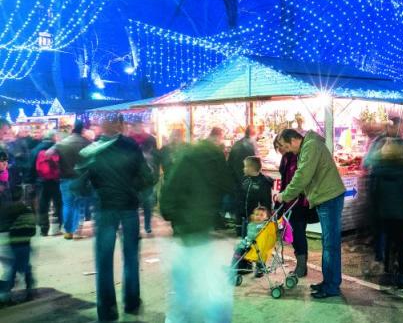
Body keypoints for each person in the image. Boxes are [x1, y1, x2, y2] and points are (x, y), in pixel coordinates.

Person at [73, 114, 155, 321]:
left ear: (102, 126)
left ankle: (107, 311)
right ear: (119, 125)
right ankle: (132, 302)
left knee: (103, 261)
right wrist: (134, 191)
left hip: (104, 208)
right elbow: (147, 177)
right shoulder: (131, 146)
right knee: (131, 257)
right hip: (128, 207)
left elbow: (79, 185)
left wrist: (94, 191)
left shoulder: (92, 151)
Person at [160, 138, 235, 323]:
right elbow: (229, 188)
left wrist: (172, 215)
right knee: (211, 289)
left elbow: (168, 197)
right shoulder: (217, 160)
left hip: (185, 232)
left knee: (182, 293)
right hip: (206, 231)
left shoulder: (186, 158)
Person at [274, 128, 345, 299]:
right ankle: (328, 282)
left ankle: (332, 286)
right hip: (325, 197)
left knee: (330, 245)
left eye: (285, 146)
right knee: (328, 243)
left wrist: (284, 195)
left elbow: (302, 176)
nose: (287, 150)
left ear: (293, 140)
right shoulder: (308, 146)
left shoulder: (310, 146)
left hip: (329, 198)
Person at [368, 138, 403, 290]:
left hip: (384, 213)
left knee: (388, 242)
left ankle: (387, 272)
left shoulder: (377, 169)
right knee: (402, 245)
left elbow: (373, 193)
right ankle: (401, 274)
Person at [274, 135, 311, 278]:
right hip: (288, 200)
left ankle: (301, 267)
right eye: (277, 146)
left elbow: (299, 181)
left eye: (281, 145)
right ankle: (300, 265)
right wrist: (280, 200)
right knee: (293, 234)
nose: (280, 149)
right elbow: (285, 181)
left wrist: (286, 196)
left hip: (300, 202)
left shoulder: (298, 157)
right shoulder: (286, 159)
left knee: (298, 233)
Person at [53, 120, 91, 240]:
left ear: (72, 129)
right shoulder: (87, 143)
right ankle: (76, 228)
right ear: (83, 130)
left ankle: (69, 231)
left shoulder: (62, 143)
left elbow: (49, 155)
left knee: (68, 204)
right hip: (81, 178)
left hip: (65, 177)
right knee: (78, 203)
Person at [0, 186, 36, 304]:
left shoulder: (4, 208)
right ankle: (29, 290)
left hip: (6, 241)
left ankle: (6, 295)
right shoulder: (25, 209)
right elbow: (32, 229)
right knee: (23, 267)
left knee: (9, 268)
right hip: (22, 243)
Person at [238, 156, 273, 238]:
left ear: (251, 168)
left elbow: (266, 203)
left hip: (256, 221)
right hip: (246, 218)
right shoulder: (246, 180)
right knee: (245, 242)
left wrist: (264, 219)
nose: (244, 169)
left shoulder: (263, 183)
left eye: (245, 166)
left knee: (254, 243)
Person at [35, 134, 62, 236]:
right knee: (59, 205)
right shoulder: (58, 150)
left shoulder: (40, 152)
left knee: (43, 206)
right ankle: (60, 226)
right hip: (56, 181)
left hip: (44, 182)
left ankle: (44, 229)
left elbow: (37, 168)